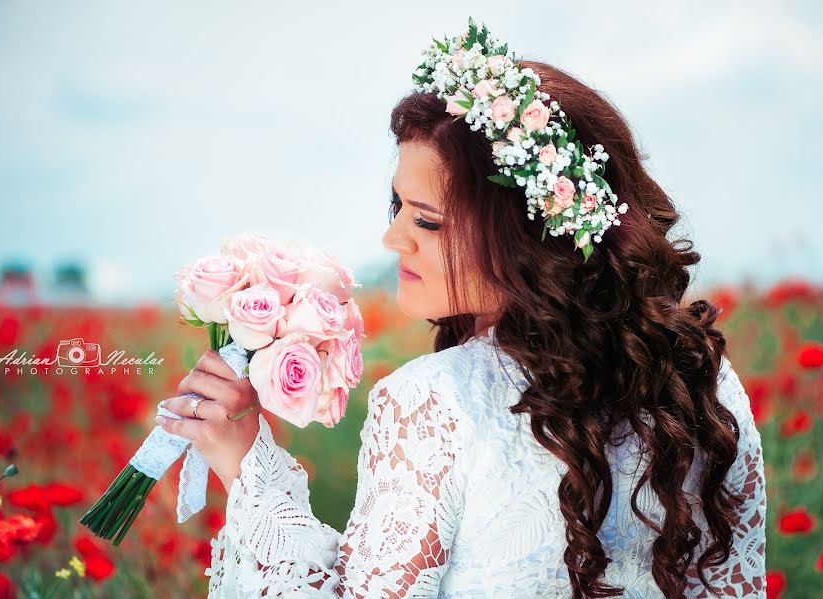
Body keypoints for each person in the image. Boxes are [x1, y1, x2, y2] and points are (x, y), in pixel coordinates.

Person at [156, 18, 766, 599]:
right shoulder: (702, 387)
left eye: (427, 220)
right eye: (396, 207)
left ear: (525, 235)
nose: (393, 238)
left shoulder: (432, 403)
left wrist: (246, 470)